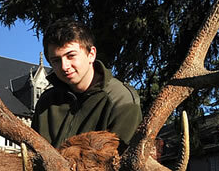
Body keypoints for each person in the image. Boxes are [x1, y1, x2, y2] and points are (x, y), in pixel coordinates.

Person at [32, 19, 142, 149]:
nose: (64, 66)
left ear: (91, 54)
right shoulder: (47, 103)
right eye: (56, 60)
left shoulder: (121, 100)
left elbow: (120, 162)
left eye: (71, 56)